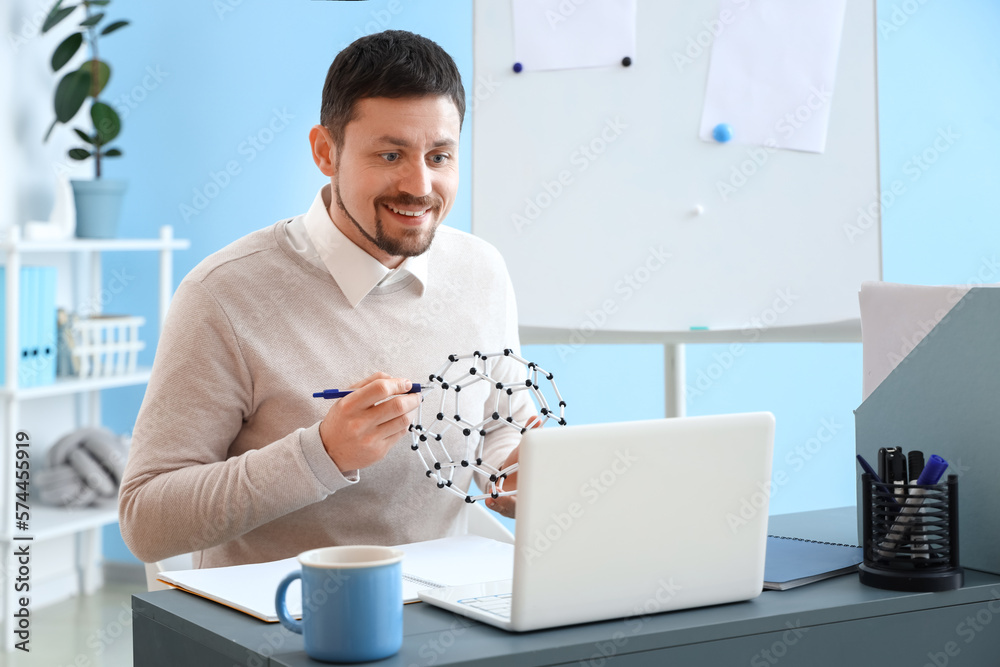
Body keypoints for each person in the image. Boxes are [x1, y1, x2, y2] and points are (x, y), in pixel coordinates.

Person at [119, 30, 532, 568]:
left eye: (439, 156)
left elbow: (502, 425)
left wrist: (509, 475)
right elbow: (145, 522)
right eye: (390, 154)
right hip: (278, 621)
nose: (420, 185)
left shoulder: (482, 271)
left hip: (445, 613)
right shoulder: (221, 296)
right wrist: (323, 455)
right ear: (325, 152)